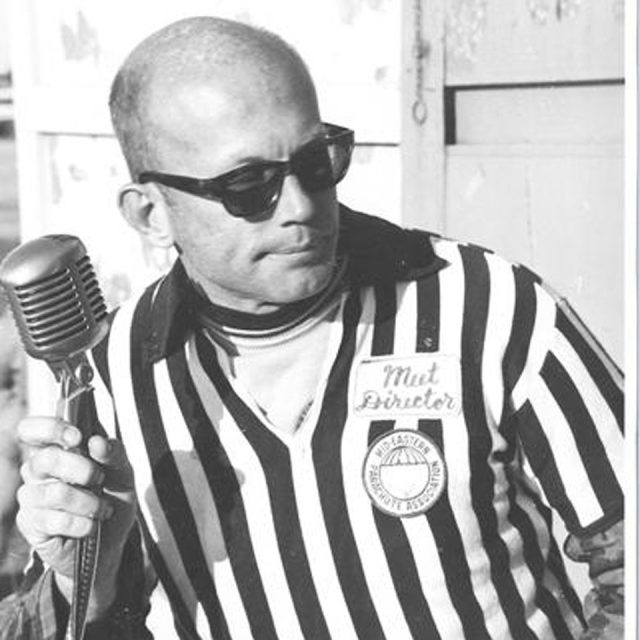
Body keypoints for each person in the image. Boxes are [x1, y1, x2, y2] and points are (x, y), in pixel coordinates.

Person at [0, 15, 624, 640]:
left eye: (317, 161)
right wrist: (87, 586)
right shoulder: (110, 378)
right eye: (248, 186)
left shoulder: (487, 306)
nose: (299, 206)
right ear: (150, 214)